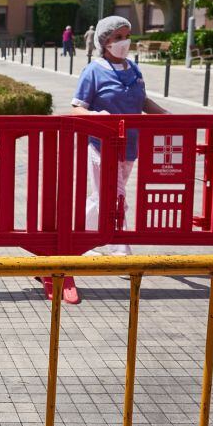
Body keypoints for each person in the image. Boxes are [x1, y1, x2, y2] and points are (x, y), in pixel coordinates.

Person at [70, 15, 169, 255]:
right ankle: (120, 251)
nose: (124, 42)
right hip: (102, 145)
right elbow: (77, 107)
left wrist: (167, 116)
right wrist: (96, 117)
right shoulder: (93, 71)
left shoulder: (133, 69)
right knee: (115, 197)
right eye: (118, 37)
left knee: (102, 196)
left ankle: (80, 240)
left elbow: (142, 101)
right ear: (105, 41)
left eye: (127, 36)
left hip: (130, 146)